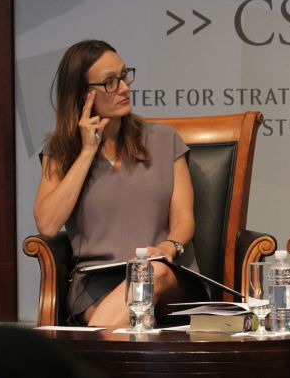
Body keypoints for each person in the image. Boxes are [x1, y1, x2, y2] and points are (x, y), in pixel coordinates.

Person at [33, 40, 206, 326]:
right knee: (124, 319)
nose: (124, 88)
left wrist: (169, 247)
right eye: (110, 82)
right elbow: (48, 224)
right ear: (83, 94)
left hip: (167, 273)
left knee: (150, 275)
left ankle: (86, 350)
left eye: (124, 76)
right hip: (96, 282)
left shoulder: (164, 139)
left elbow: (184, 219)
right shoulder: (61, 151)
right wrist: (87, 152)